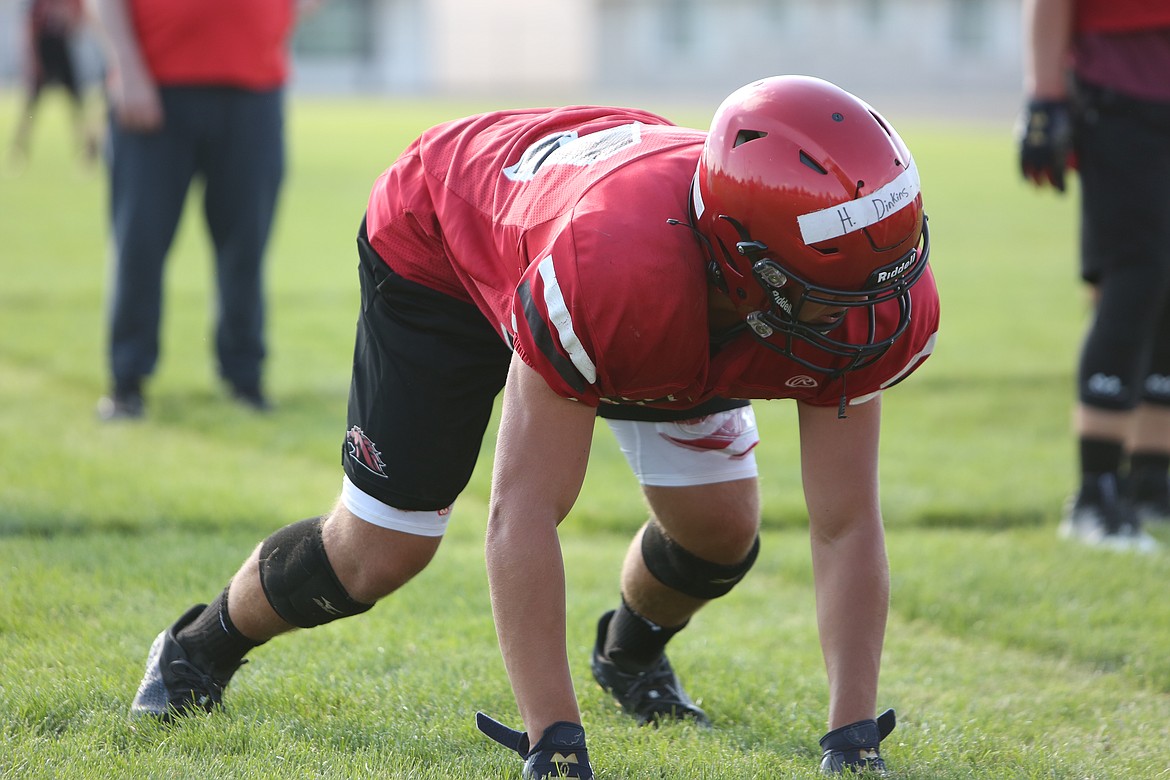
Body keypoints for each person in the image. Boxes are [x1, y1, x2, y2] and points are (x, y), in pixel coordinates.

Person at [128, 75, 939, 777]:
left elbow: (844, 525)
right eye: (833, 295)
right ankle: (200, 647)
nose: (869, 317)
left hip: (648, 275)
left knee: (719, 529)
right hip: (448, 243)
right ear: (737, 255)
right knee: (383, 549)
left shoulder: (859, 296)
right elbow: (523, 510)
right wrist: (553, 740)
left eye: (883, 281)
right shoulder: (617, 275)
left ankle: (628, 654)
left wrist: (853, 734)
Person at [89, 0, 314, 419]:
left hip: (254, 91)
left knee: (246, 247)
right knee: (139, 242)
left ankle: (244, 376)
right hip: (155, 86)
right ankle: (127, 381)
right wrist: (127, 68)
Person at [1018, 0, 1170, 552]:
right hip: (1120, 92)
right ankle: (1096, 492)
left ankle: (1154, 479)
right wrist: (1045, 95)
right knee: (1136, 277)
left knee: (1163, 281)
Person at [7, 0, 98, 167]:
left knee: (77, 105)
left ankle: (89, 150)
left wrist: (67, 19)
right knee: (30, 107)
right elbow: (29, 29)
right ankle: (18, 149)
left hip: (62, 51)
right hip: (43, 51)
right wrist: (33, 61)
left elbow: (77, 24)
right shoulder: (38, 4)